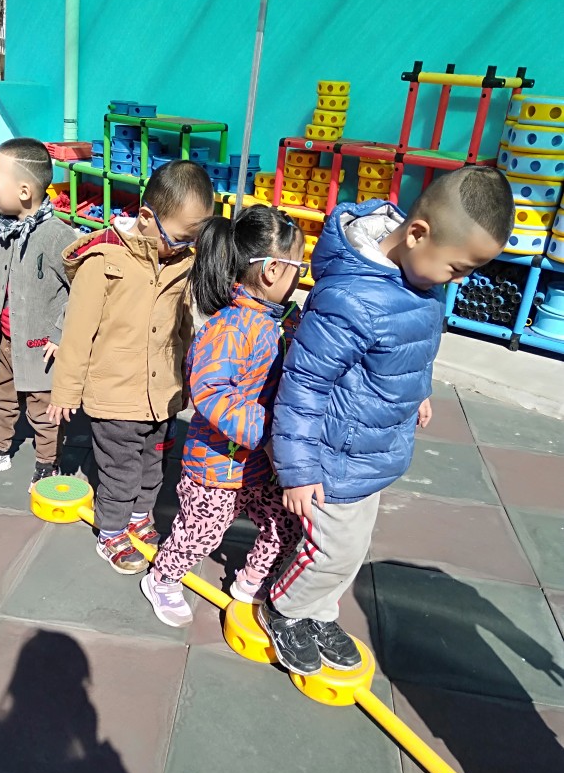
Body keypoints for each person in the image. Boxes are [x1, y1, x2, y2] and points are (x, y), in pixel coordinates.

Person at [260, 167, 515, 675]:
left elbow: (414, 345)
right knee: (331, 550)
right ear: (417, 233)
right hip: (332, 456)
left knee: (353, 548)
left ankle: (318, 612)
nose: (459, 281)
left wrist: (419, 390)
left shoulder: (418, 276)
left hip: (372, 448)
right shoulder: (351, 300)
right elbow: (303, 385)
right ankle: (284, 609)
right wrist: (298, 470)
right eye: (457, 268)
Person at [140, 205, 306, 627]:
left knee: (284, 524)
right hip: (216, 466)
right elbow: (211, 392)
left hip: (261, 465)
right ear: (271, 270)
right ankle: (162, 578)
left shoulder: (283, 320)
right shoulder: (231, 329)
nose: (300, 278)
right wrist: (265, 433)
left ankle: (251, 581)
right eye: (298, 268)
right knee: (200, 532)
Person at [47, 160, 215, 574]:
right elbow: (78, 332)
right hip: (115, 393)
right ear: (146, 217)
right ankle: (111, 530)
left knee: (153, 464)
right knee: (120, 469)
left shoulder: (182, 262)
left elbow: (183, 328)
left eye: (192, 240)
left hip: (161, 394)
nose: (184, 247)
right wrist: (65, 391)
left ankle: (140, 516)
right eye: (179, 238)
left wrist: (186, 380)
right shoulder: (103, 260)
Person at [0, 138, 76, 492]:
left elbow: (82, 291)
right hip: (6, 338)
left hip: (41, 346)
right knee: (1, 397)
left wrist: (60, 334)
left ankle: (48, 462)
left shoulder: (57, 237)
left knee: (43, 409)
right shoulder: (6, 229)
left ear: (24, 191)